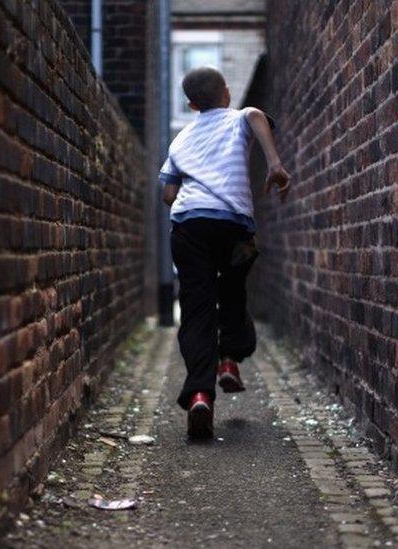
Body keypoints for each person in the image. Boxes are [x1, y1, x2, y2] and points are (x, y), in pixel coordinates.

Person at [160, 66, 291, 439]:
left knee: (197, 308)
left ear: (191, 104)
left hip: (189, 227)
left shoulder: (180, 140)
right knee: (232, 291)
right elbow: (253, 115)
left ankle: (201, 393)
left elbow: (167, 195)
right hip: (234, 227)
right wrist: (275, 164)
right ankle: (230, 360)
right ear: (227, 95)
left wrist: (193, 190)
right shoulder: (238, 118)